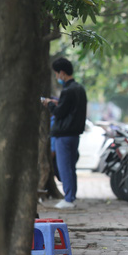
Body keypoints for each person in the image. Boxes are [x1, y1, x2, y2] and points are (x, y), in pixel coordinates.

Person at [41, 57, 87, 209]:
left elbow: (60, 113)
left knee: (64, 167)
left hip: (64, 135)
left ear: (61, 73)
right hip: (74, 135)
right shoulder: (79, 88)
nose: (56, 77)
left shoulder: (67, 90)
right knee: (70, 167)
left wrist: (49, 104)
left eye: (56, 74)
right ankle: (71, 196)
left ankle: (68, 199)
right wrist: (57, 103)